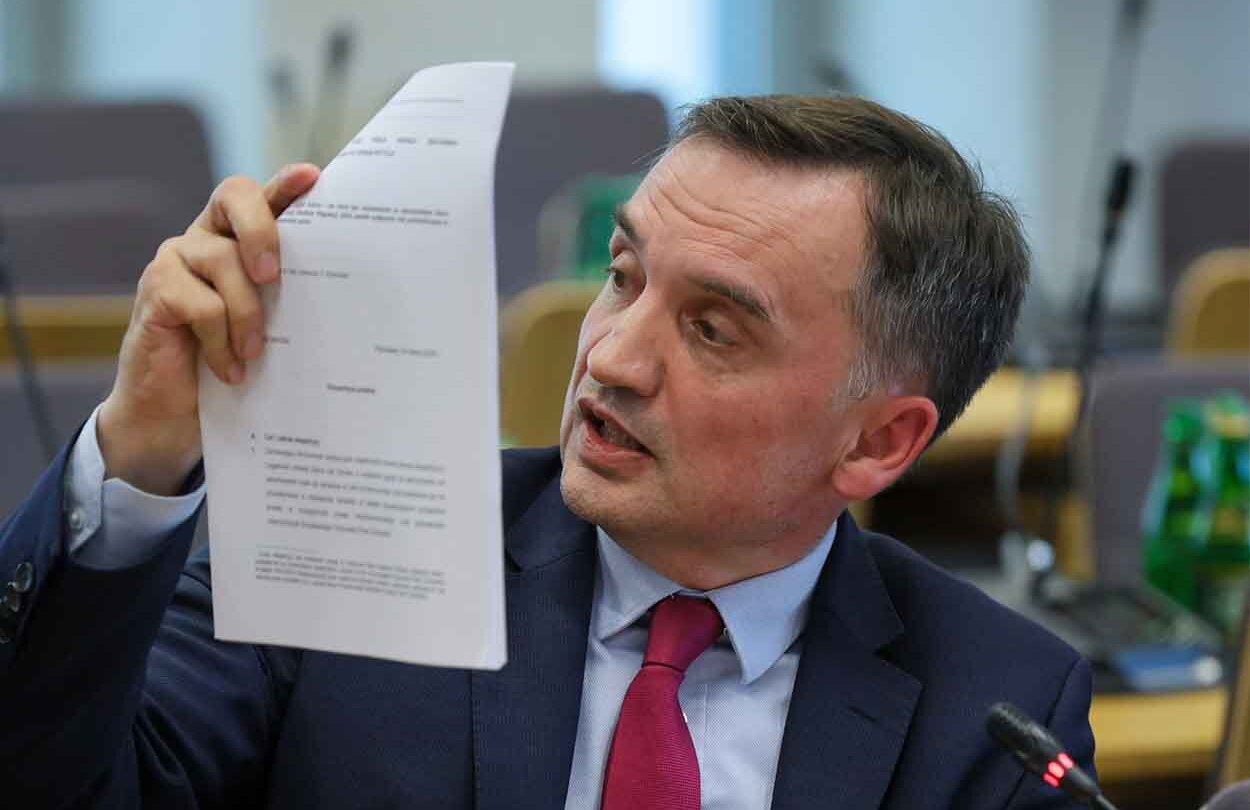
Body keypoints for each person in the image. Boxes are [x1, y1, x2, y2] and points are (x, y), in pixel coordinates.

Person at [0, 95, 1095, 808]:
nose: (611, 356)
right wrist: (137, 461)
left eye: (713, 330)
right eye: (622, 277)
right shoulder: (364, 545)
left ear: (878, 440)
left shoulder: (996, 712)